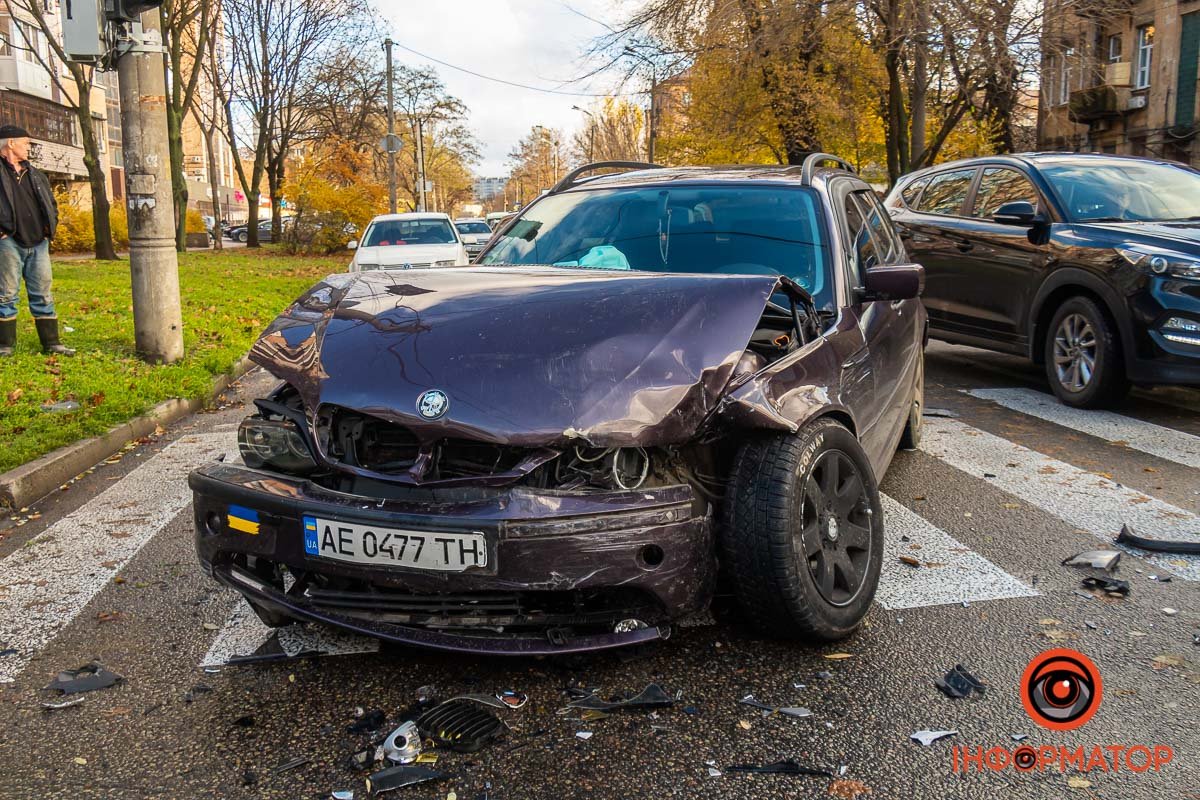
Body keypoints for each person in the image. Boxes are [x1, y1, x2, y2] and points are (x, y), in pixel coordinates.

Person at [0, 124, 73, 357]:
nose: (29, 147)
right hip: (8, 242)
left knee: (43, 293)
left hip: (38, 243)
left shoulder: (35, 173)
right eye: (26, 142)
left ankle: (52, 344)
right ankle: (5, 346)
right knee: (6, 294)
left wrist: (48, 230)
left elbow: (51, 204)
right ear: (10, 143)